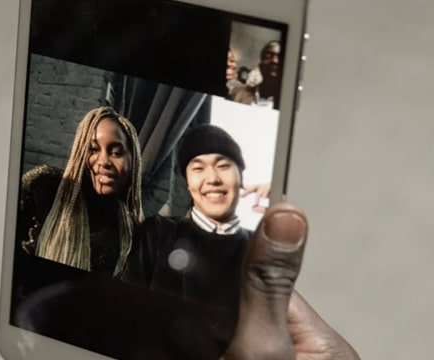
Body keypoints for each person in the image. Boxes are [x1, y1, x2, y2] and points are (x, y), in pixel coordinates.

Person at [122, 124, 360, 359]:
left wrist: (276, 216)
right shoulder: (158, 232)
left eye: (224, 166)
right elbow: (126, 315)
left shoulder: (262, 251)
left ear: (240, 176)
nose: (212, 178)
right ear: (186, 180)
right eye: (198, 168)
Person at [14, 106, 143, 280]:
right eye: (93, 150)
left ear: (132, 162)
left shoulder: (135, 233)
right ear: (81, 153)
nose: (104, 161)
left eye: (116, 152)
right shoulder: (42, 188)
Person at [230, 40, 282, 109]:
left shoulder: (287, 104)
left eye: (280, 57)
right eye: (268, 56)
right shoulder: (238, 94)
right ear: (260, 63)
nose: (274, 61)